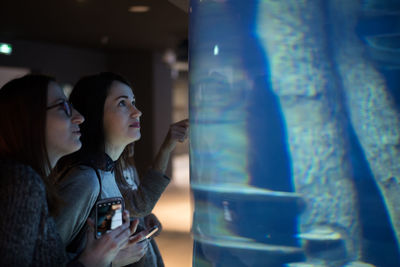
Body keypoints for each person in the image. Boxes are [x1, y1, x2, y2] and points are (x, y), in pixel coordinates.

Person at [0, 74, 144, 267]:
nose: (79, 117)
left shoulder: (106, 173)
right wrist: (102, 261)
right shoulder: (25, 181)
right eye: (63, 107)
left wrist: (111, 251)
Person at [54, 72, 189, 266]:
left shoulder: (106, 174)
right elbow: (46, 254)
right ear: (95, 112)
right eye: (122, 103)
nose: (137, 112)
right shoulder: (86, 180)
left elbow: (103, 238)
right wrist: (112, 262)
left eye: (133, 102)